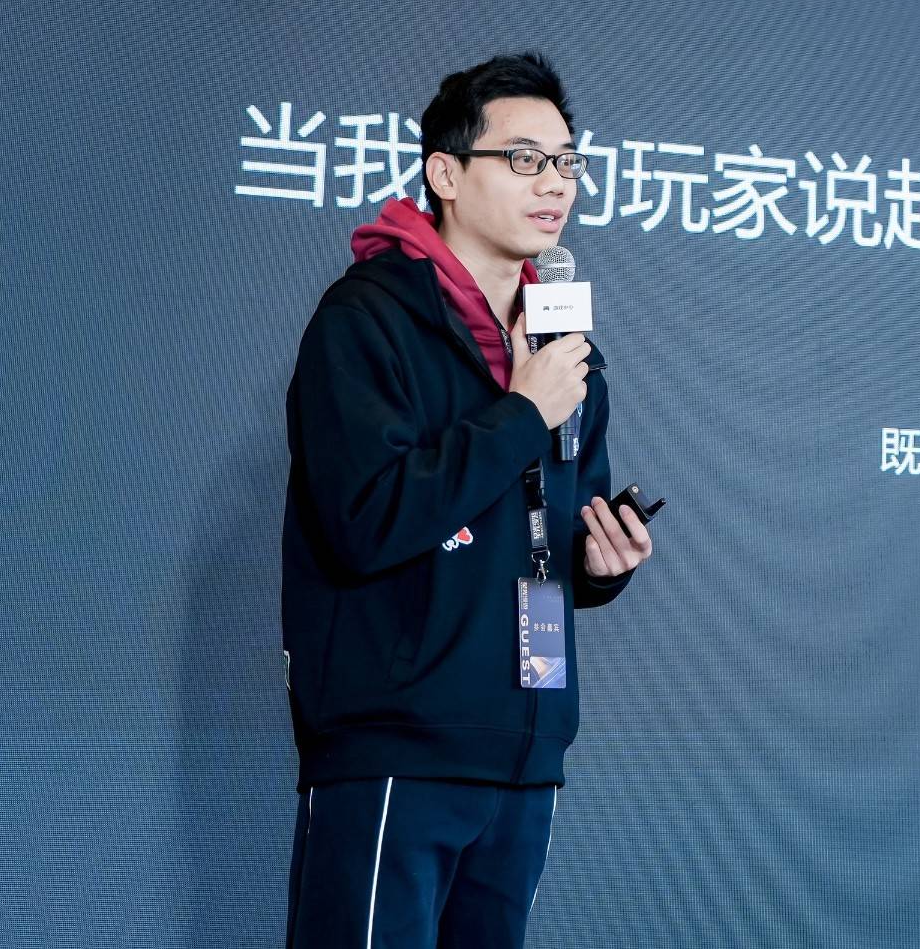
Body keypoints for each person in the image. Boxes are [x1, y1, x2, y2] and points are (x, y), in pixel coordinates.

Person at [278, 52, 655, 947]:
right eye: (524, 159)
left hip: (523, 746)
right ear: (445, 173)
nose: (554, 184)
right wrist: (521, 412)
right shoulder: (366, 320)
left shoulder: (563, 350)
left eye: (566, 162)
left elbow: (545, 529)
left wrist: (600, 563)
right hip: (396, 741)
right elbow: (366, 521)